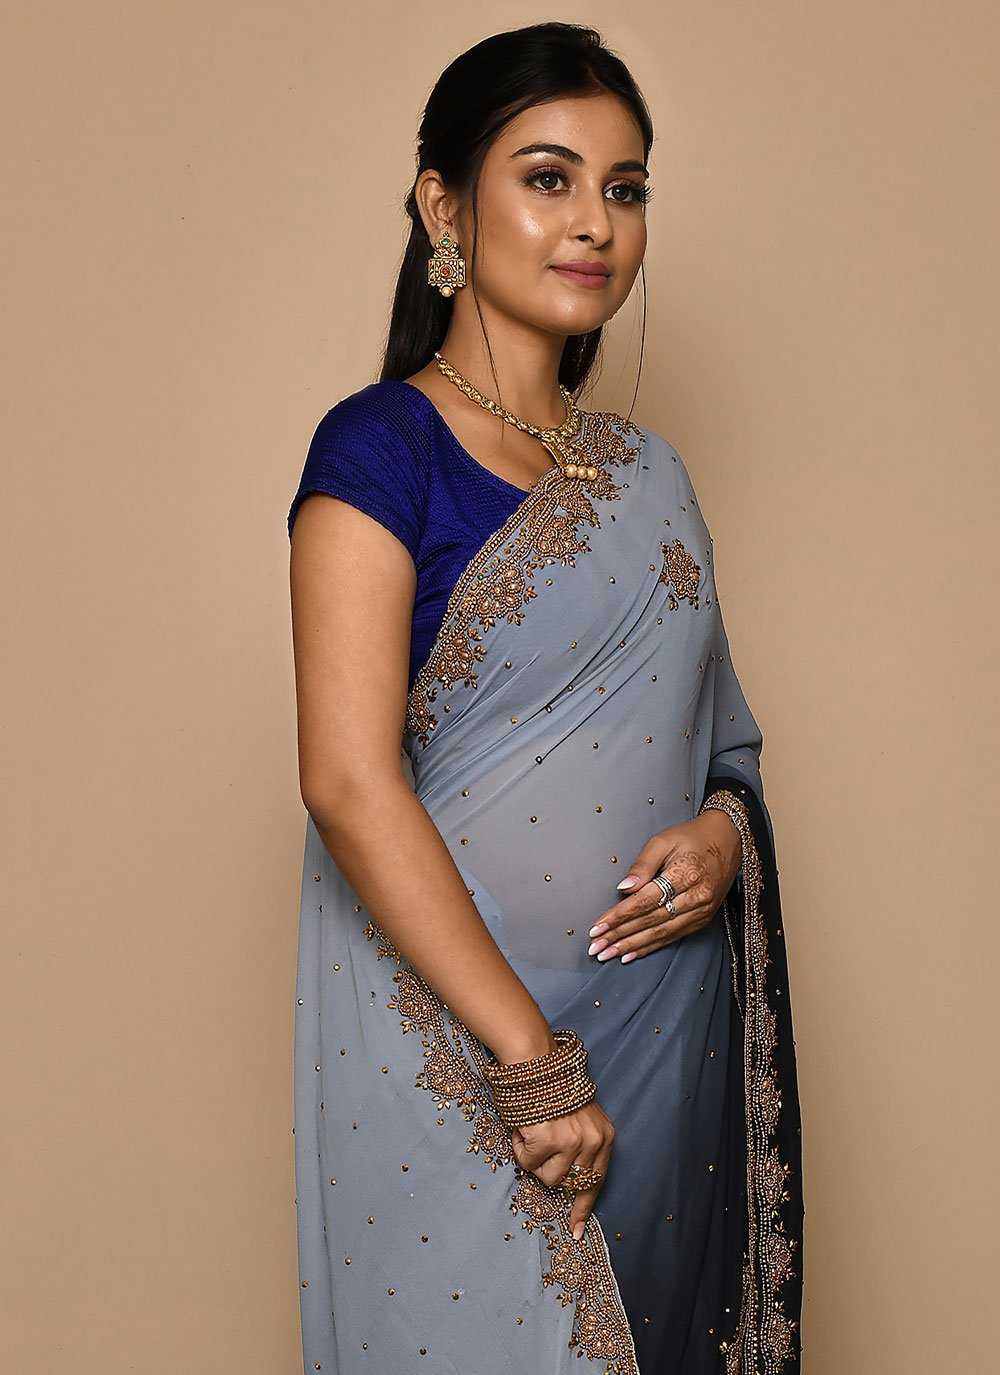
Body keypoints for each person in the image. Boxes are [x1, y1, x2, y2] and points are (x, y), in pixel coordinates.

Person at [286, 22, 803, 1375]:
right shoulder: (382, 447)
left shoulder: (653, 476)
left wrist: (724, 837)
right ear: (443, 205)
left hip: (664, 1039)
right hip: (469, 1049)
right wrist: (531, 1062)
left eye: (624, 190)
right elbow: (347, 778)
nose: (595, 224)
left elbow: (725, 745)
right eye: (548, 178)